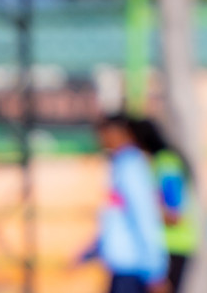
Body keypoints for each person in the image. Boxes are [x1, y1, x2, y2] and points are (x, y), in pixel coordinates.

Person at [77, 113, 169, 293]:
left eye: (103, 133)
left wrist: (155, 271)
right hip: (123, 267)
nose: (100, 139)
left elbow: (145, 217)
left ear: (119, 133)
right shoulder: (119, 165)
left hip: (133, 268)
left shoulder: (132, 167)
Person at [130, 117, 199, 293]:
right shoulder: (158, 162)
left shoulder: (166, 163)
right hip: (168, 245)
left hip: (172, 245)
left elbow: (173, 214)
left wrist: (141, 212)